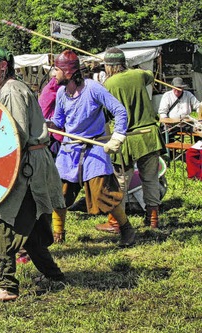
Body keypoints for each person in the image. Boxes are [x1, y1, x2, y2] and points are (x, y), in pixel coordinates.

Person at [0, 47, 65, 302]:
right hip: (31, 161)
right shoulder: (7, 88)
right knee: (32, 227)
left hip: (27, 165)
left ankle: (7, 286)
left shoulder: (12, 89)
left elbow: (16, 134)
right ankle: (54, 275)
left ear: (3, 66)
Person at [48, 50, 136, 246]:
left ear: (68, 72)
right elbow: (59, 121)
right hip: (70, 149)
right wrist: (48, 126)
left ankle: (127, 229)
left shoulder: (93, 88)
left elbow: (120, 111)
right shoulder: (62, 93)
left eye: (56, 70)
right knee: (59, 193)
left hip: (94, 148)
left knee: (102, 194)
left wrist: (118, 136)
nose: (54, 74)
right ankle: (58, 233)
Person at [102, 47, 164, 230]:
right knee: (150, 179)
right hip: (149, 136)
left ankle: (116, 222)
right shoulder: (139, 75)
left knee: (120, 182)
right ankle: (153, 219)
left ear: (109, 66)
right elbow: (149, 75)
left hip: (127, 138)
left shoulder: (109, 84)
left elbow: (106, 113)